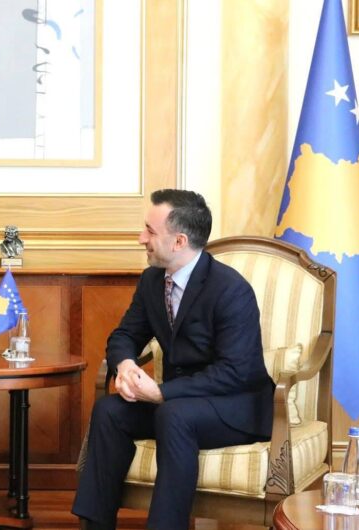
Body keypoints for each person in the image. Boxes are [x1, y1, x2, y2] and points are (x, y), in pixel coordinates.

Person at [72, 189, 274, 530]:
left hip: (237, 407)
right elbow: (124, 336)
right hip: (178, 404)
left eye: (150, 231)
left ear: (179, 241)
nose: (141, 238)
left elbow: (234, 372)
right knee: (109, 411)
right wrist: (126, 366)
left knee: (174, 415)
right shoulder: (153, 280)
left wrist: (162, 393)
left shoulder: (230, 290)